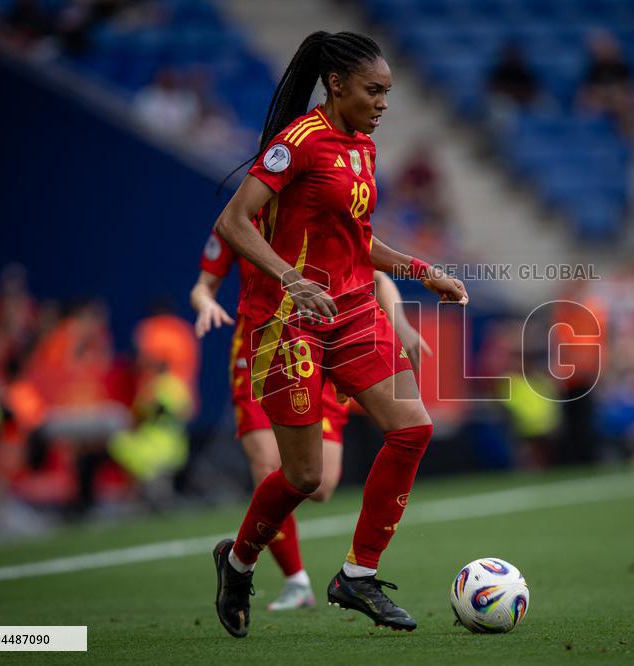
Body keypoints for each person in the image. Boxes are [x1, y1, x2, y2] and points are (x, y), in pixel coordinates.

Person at [206, 31, 467, 637]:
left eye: (388, 94)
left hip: (351, 311)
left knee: (413, 428)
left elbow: (359, 242)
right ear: (337, 84)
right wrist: (291, 279)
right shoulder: (295, 144)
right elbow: (234, 222)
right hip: (286, 324)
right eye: (374, 91)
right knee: (304, 478)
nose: (382, 104)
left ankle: (358, 574)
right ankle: (239, 561)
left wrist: (423, 272)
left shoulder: (364, 149)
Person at [190, 229, 428, 611]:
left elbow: (374, 268)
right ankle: (294, 580)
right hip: (265, 343)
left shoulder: (317, 202)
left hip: (329, 341)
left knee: (317, 483)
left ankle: (241, 559)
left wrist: (402, 323)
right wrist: (205, 303)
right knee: (270, 461)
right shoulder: (244, 217)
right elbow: (204, 284)